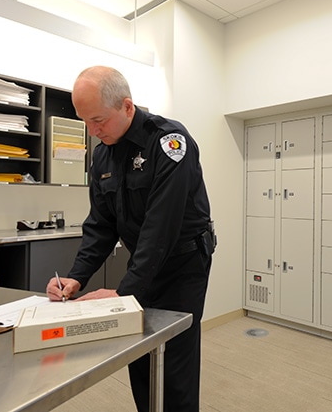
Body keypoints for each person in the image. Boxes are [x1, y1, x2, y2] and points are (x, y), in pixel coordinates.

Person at [46, 66, 215, 412]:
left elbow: (161, 225)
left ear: (126, 106)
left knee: (175, 360)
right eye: (85, 123)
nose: (93, 132)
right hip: (143, 262)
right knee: (138, 354)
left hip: (182, 263)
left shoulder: (168, 142)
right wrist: (76, 277)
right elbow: (101, 224)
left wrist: (125, 292)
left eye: (99, 121)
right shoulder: (103, 154)